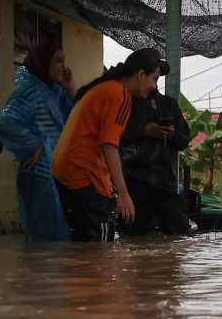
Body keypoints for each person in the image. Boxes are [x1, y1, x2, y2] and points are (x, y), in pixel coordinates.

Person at [51, 48, 164, 242]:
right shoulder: (119, 95)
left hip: (65, 173)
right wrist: (123, 193)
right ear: (140, 75)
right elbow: (109, 145)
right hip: (84, 174)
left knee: (82, 246)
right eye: (154, 79)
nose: (155, 86)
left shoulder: (106, 89)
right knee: (101, 249)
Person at [0, 43, 76, 241]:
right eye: (58, 61)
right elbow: (5, 122)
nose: (63, 67)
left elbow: (77, 119)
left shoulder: (56, 92)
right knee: (44, 241)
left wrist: (70, 88)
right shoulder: (30, 91)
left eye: (64, 61)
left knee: (57, 240)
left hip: (56, 172)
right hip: (39, 174)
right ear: (43, 63)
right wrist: (35, 144)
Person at [118, 64, 192, 236]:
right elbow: (115, 138)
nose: (154, 82)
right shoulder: (126, 104)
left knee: (179, 231)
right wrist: (144, 131)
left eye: (157, 78)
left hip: (164, 181)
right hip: (134, 181)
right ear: (141, 76)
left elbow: (184, 140)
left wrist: (172, 135)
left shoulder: (169, 104)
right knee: (131, 237)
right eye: (153, 76)